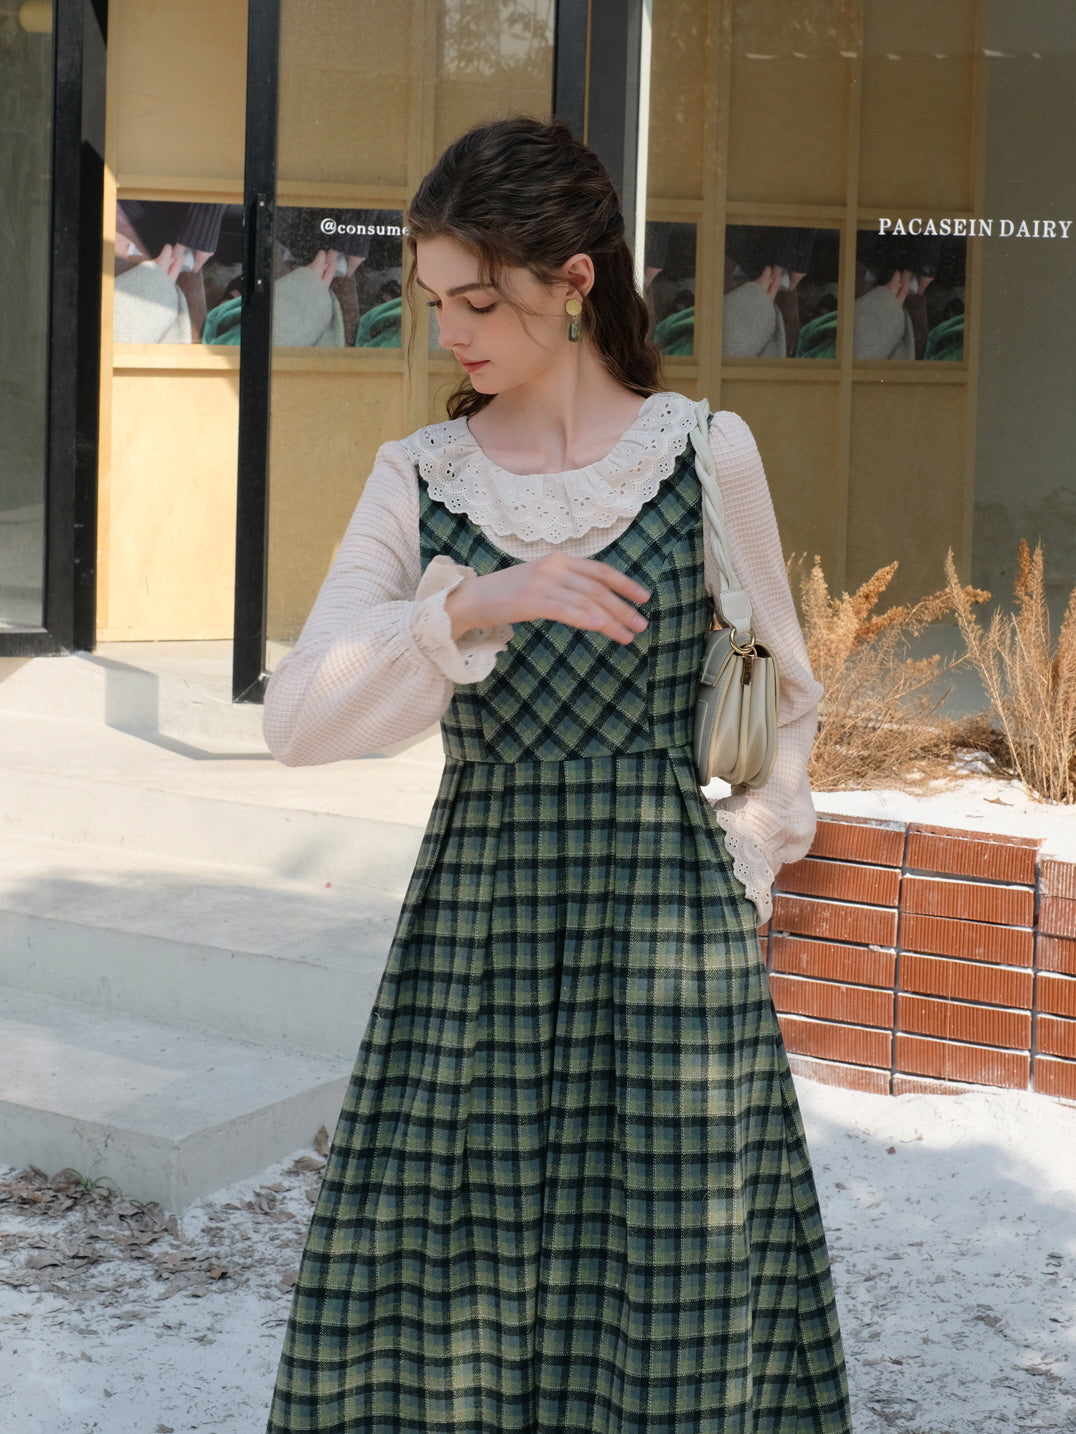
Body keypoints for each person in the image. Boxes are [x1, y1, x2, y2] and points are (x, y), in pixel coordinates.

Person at [262, 116, 849, 1434]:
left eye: (481, 298)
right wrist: (468, 608)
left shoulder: (705, 453)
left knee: (669, 1291)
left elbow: (778, 693)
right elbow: (295, 716)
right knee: (441, 1295)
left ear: (575, 281)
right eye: (433, 301)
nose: (450, 331)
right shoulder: (418, 477)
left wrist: (744, 864)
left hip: (668, 936)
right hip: (481, 932)